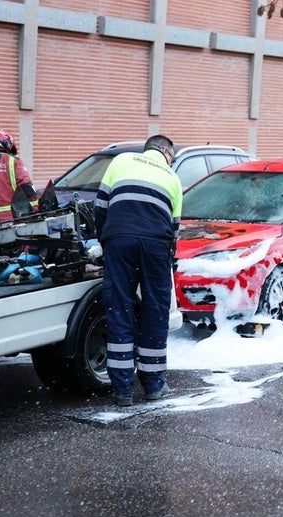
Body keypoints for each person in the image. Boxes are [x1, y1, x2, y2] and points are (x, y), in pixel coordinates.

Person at [94, 134, 182, 407]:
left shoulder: (121, 161)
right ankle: (154, 385)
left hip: (118, 239)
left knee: (119, 306)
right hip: (155, 243)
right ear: (166, 151)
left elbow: (100, 206)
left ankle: (122, 390)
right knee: (155, 310)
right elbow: (174, 228)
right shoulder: (173, 178)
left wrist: (105, 241)